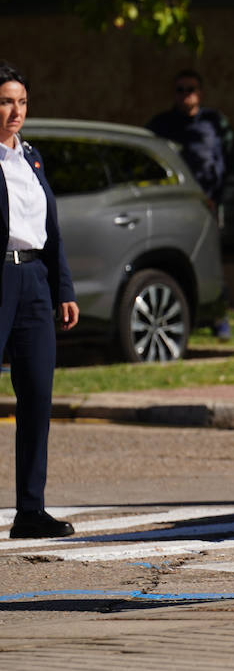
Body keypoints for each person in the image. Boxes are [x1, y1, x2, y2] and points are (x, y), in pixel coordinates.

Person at [0, 64, 80, 539]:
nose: (16, 112)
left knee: (36, 397)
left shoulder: (32, 158)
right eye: (7, 102)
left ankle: (30, 511)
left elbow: (52, 230)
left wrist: (62, 289)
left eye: (22, 102)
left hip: (33, 279)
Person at [146, 69, 234, 339]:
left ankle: (219, 317)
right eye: (181, 90)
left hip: (207, 204)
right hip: (171, 206)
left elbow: (229, 161)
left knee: (210, 260)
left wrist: (216, 197)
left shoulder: (214, 123)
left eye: (191, 89)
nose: (187, 95)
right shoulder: (160, 126)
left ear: (201, 93)